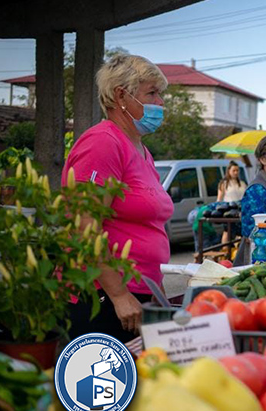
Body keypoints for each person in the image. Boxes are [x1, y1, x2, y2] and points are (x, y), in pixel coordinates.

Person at [62, 54, 173, 342]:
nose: (160, 102)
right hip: (105, 299)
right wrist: (119, 294)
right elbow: (85, 226)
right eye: (152, 93)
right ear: (121, 95)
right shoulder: (103, 143)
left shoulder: (140, 149)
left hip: (142, 291)